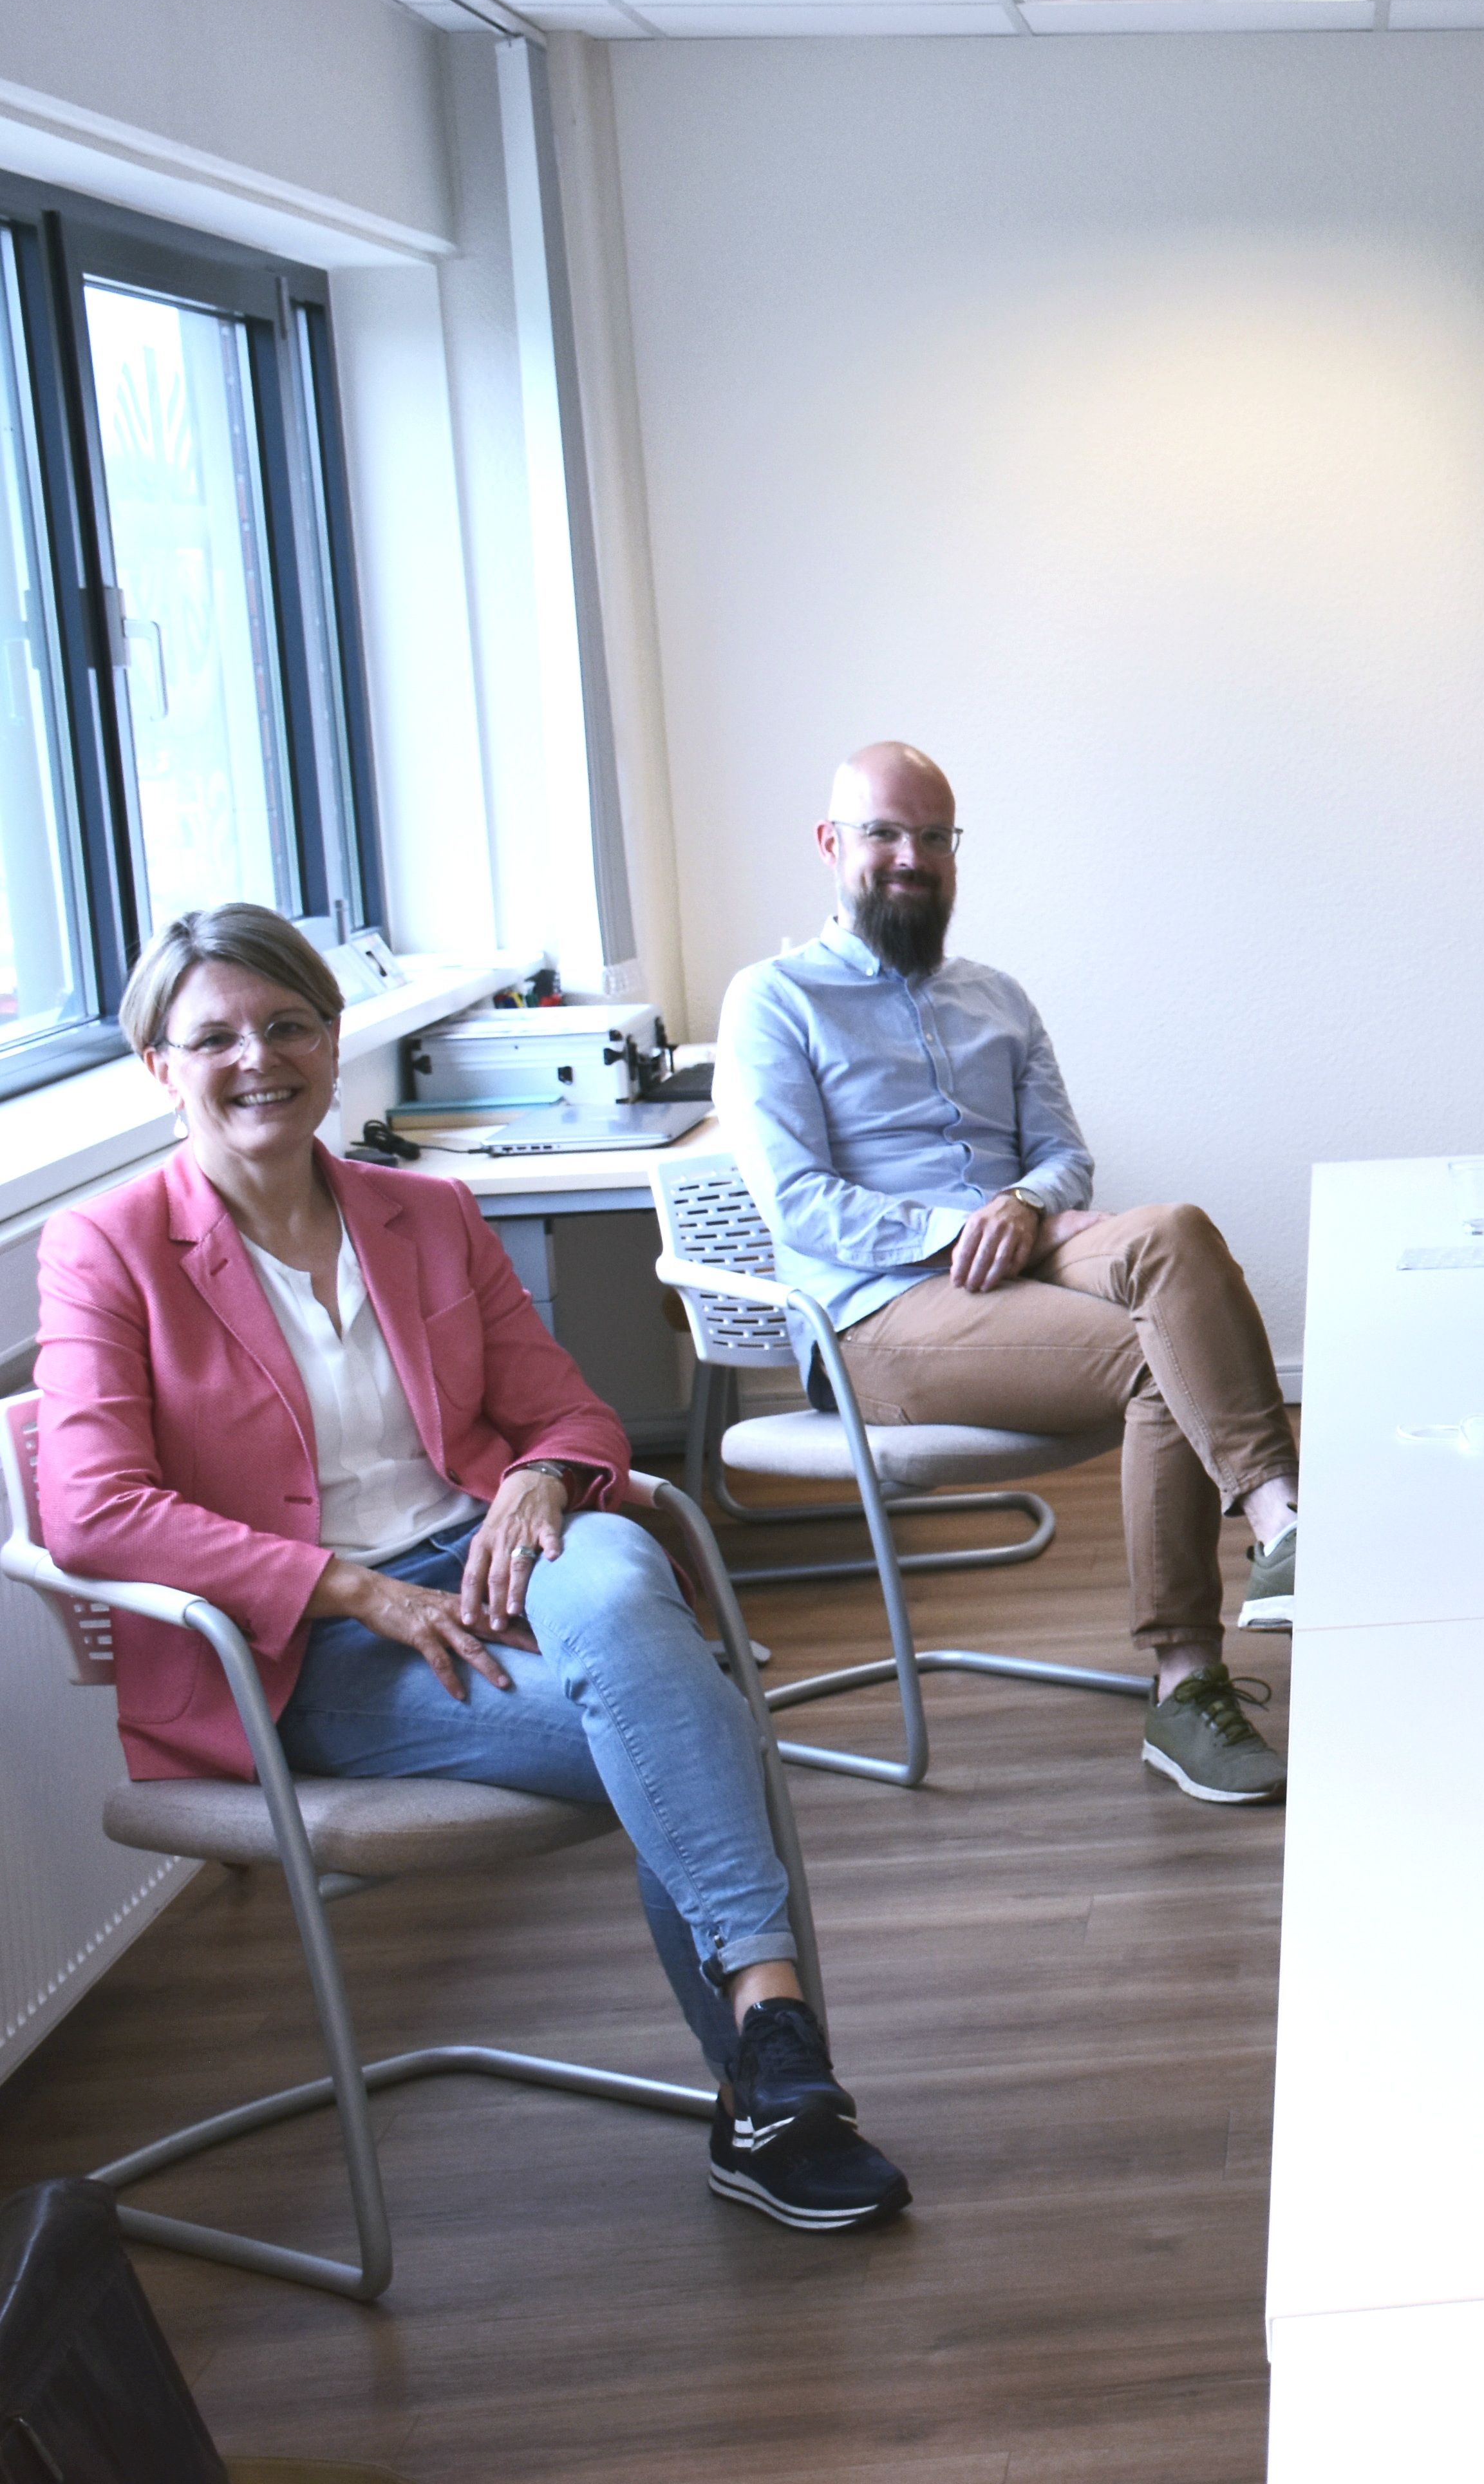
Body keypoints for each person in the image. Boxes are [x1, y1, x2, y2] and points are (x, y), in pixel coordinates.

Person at [35, 907, 908, 2234]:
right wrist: (351, 1588)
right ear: (161, 1064)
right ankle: (772, 2080)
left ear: (334, 1042)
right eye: (214, 1036)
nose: (257, 1058)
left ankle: (772, 2055)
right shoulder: (107, 1248)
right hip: (305, 1639)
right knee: (692, 1714)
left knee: (618, 1588)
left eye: (286, 1025)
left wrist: (539, 1478)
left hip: (503, 1560)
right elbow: (93, 1510)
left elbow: (578, 1418)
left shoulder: (424, 1211)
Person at [723, 741, 1300, 1805]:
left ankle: (1281, 1525)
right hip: (881, 1308)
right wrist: (958, 1228)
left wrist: (1028, 1203)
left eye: (932, 837)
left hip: (1024, 1243)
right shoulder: (773, 1000)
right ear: (830, 845)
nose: (909, 857)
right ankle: (1186, 1680)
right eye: (883, 834)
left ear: (955, 853)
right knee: (1152, 1359)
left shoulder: (998, 995)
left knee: (1173, 1229)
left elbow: (1066, 1156)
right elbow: (793, 1200)